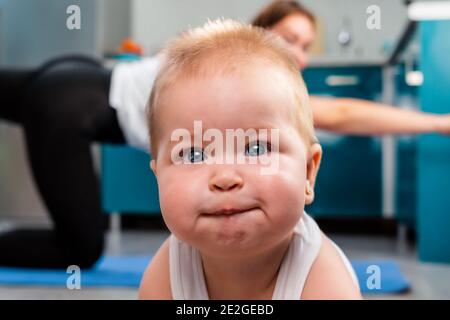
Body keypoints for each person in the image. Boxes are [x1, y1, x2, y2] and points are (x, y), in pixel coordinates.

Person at [0, 0, 449, 269]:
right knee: (80, 248)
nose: (301, 55)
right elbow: (343, 112)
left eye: (307, 46)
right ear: (263, 32)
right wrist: (436, 122)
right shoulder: (232, 75)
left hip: (75, 79)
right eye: (290, 39)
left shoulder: (220, 61)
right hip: (73, 103)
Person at [138, 19, 361, 300]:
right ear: (157, 176)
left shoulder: (324, 283)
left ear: (307, 172)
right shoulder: (166, 276)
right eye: (193, 154)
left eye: (256, 148)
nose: (225, 178)